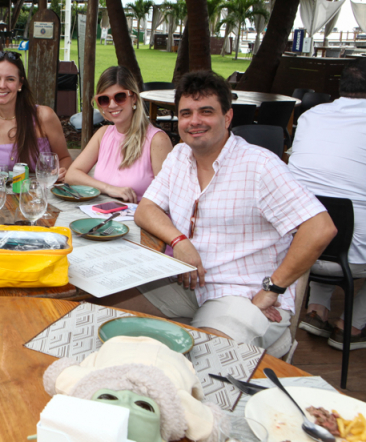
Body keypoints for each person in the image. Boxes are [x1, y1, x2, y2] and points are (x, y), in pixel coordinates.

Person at [110, 70, 337, 357]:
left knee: (206, 361)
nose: (194, 121)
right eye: (186, 113)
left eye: (206, 112)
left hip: (242, 294)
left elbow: (321, 228)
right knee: (101, 311)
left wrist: (272, 288)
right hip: (187, 285)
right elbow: (147, 209)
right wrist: (179, 241)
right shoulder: (180, 156)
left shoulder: (259, 165)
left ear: (227, 117)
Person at [290, 58, 366, 350]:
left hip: (301, 247)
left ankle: (317, 310)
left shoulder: (312, 116)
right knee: (342, 221)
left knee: (325, 214)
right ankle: (352, 326)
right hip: (350, 256)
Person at [65, 66, 172, 203]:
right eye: (104, 99)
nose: (112, 105)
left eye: (120, 97)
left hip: (138, 219)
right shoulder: (103, 134)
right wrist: (108, 188)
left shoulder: (157, 140)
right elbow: (72, 175)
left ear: (133, 98)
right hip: (103, 215)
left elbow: (167, 197)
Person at [0, 51, 71, 178]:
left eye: (10, 79)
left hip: (42, 195)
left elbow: (64, 158)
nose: (2, 85)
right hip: (1, 196)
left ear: (20, 84)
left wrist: (61, 171)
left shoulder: (43, 116)